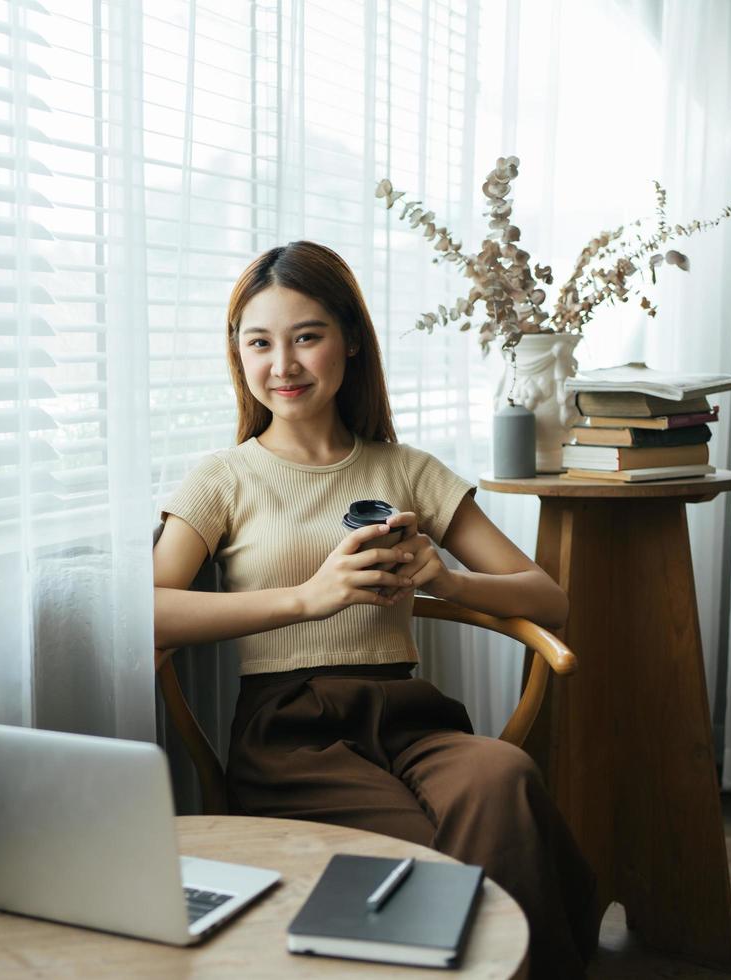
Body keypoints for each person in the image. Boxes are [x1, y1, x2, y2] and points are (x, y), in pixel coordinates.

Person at [153, 241, 598, 978]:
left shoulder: (408, 469)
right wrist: (306, 598)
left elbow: (547, 598)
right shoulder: (222, 479)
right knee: (417, 843)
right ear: (238, 354)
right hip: (291, 730)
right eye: (259, 343)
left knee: (501, 777)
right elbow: (148, 613)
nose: (283, 365)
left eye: (307, 337)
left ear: (350, 340)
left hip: (408, 714)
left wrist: (444, 582)